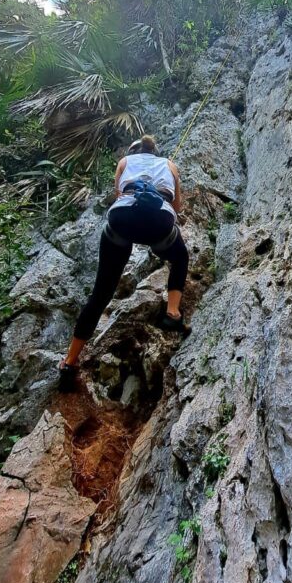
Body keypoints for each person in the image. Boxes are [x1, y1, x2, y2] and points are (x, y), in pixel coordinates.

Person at [58, 135, 189, 391]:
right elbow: (178, 206)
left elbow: (119, 195)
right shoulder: (169, 164)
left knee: (101, 294)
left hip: (122, 220)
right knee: (180, 257)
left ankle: (70, 362)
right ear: (155, 151)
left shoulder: (125, 161)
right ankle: (173, 313)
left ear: (133, 150)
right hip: (159, 222)